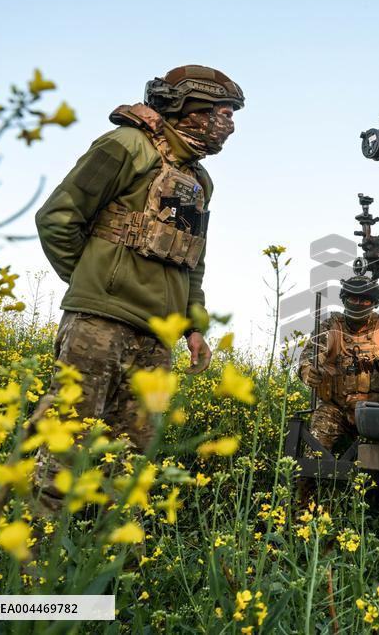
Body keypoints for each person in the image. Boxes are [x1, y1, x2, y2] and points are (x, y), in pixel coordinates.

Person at [31, 65, 244, 503]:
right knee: (63, 449)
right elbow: (57, 218)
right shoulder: (125, 146)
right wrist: (93, 281)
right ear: (192, 109)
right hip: (99, 324)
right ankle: (31, 564)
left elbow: (192, 258)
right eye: (224, 112)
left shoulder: (199, 180)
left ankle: (105, 563)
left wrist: (193, 325)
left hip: (156, 338)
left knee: (129, 465)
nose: (231, 125)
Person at [298, 276, 379, 458]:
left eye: (365, 300)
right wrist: (307, 370)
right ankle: (308, 485)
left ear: (374, 303)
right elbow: (310, 355)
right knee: (313, 454)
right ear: (344, 299)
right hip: (336, 409)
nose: (358, 303)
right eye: (353, 298)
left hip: (374, 410)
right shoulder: (331, 326)